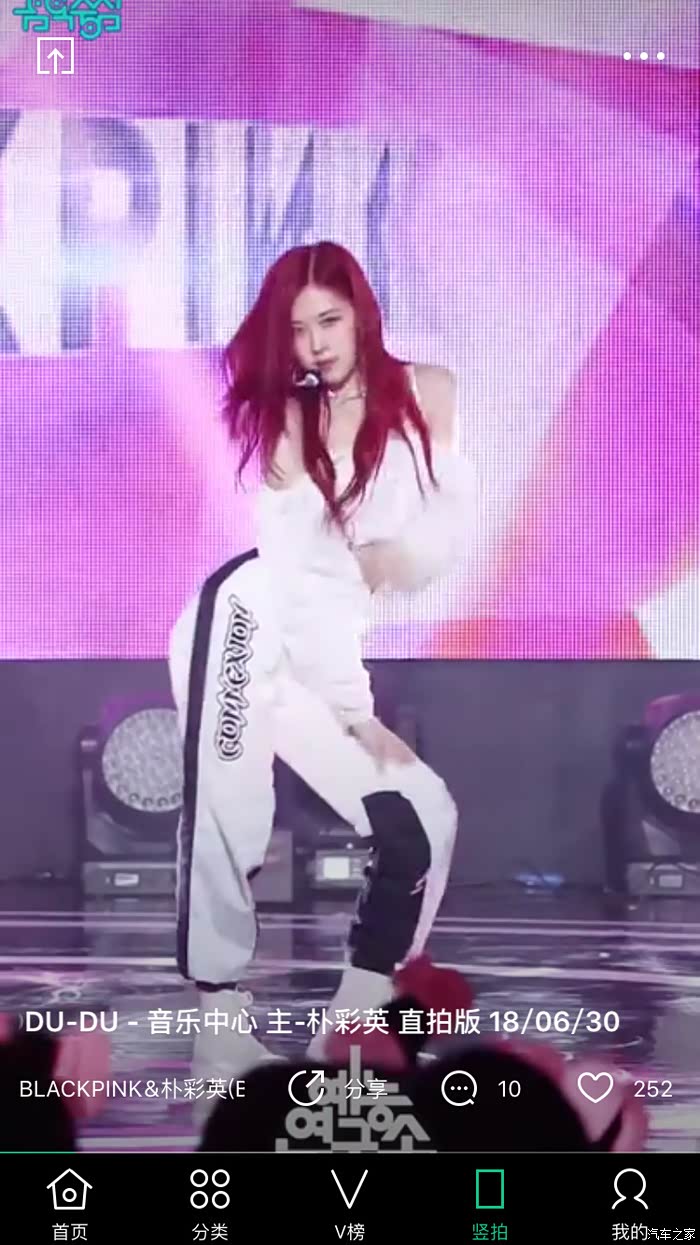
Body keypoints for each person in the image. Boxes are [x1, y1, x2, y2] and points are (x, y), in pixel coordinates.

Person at [167, 240, 478, 1102]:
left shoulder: (431, 392)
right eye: (299, 329)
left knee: (425, 818)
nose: (315, 344)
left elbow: (441, 535)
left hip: (323, 638)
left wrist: (397, 560)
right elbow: (299, 571)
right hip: (249, 619)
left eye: (330, 321)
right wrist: (352, 706)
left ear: (362, 313)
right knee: (230, 806)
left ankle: (355, 1027)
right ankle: (219, 1028)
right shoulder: (291, 419)